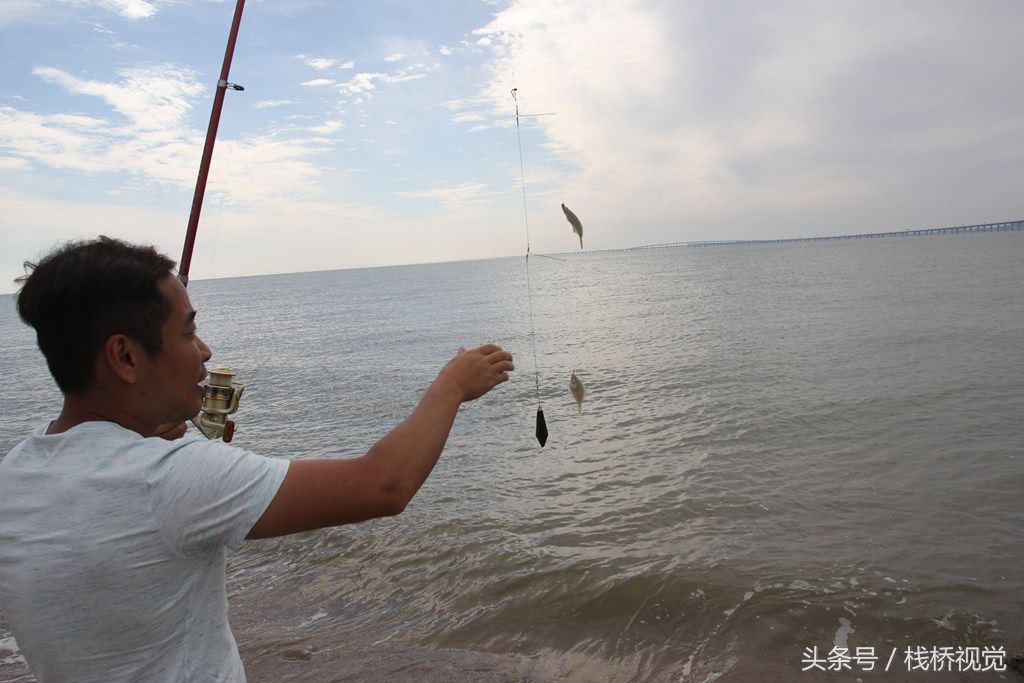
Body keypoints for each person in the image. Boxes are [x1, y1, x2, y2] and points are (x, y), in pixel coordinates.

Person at [0, 236, 514, 682]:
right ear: (126, 357)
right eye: (186, 332)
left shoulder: (16, 474)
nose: (204, 351)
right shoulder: (169, 477)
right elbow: (383, 485)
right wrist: (452, 386)